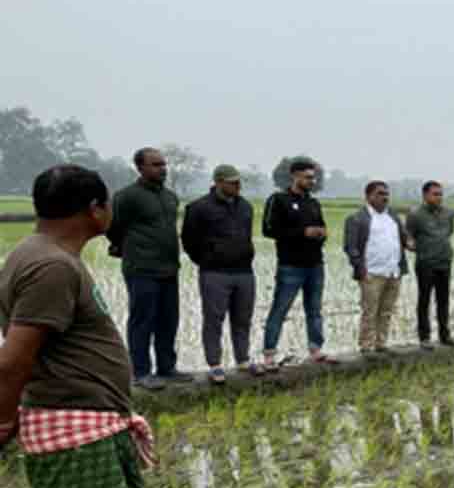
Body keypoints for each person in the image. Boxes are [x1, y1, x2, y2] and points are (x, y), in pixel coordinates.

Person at [0, 165, 156, 488]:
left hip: (78, 416)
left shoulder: (41, 255)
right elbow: (14, 359)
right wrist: (2, 416)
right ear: (96, 209)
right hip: (71, 421)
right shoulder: (51, 267)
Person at [106, 147, 190, 389]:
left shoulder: (170, 197)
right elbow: (113, 226)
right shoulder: (127, 196)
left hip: (169, 268)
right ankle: (141, 372)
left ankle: (167, 367)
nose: (162, 169)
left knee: (168, 320)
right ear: (140, 167)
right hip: (141, 268)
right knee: (142, 320)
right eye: (155, 164)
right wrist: (124, 247)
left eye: (163, 164)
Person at [181, 164, 261, 383]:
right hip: (215, 272)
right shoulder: (199, 208)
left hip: (244, 271)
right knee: (214, 319)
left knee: (243, 318)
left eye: (238, 182)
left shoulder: (245, 206)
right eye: (232, 182)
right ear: (218, 182)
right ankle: (215, 364)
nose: (238, 186)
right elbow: (188, 241)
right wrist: (206, 259)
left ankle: (243, 360)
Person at [261, 158, 336, 368]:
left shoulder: (313, 203)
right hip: (290, 265)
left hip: (315, 265)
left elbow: (321, 226)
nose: (312, 181)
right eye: (308, 177)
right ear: (294, 176)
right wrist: (302, 232)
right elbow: (268, 230)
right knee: (280, 309)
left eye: (314, 178)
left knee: (314, 309)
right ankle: (269, 354)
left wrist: (321, 233)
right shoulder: (278, 199)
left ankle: (316, 349)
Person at [344, 181, 408, 354]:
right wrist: (360, 268)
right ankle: (366, 346)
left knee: (387, 310)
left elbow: (404, 239)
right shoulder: (357, 218)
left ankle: (381, 343)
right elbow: (351, 247)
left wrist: (415, 245)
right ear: (368, 196)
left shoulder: (393, 217)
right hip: (371, 273)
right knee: (370, 312)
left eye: (386, 194)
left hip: (393, 272)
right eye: (380, 193)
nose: (385, 197)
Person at [405, 181, 454, 348]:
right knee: (424, 300)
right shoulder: (415, 215)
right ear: (425, 195)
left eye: (440, 194)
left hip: (444, 262)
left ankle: (445, 335)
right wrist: (417, 247)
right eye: (435, 194)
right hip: (425, 263)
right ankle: (424, 338)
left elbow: (449, 232)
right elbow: (409, 237)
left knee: (443, 300)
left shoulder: (448, 213)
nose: (439, 197)